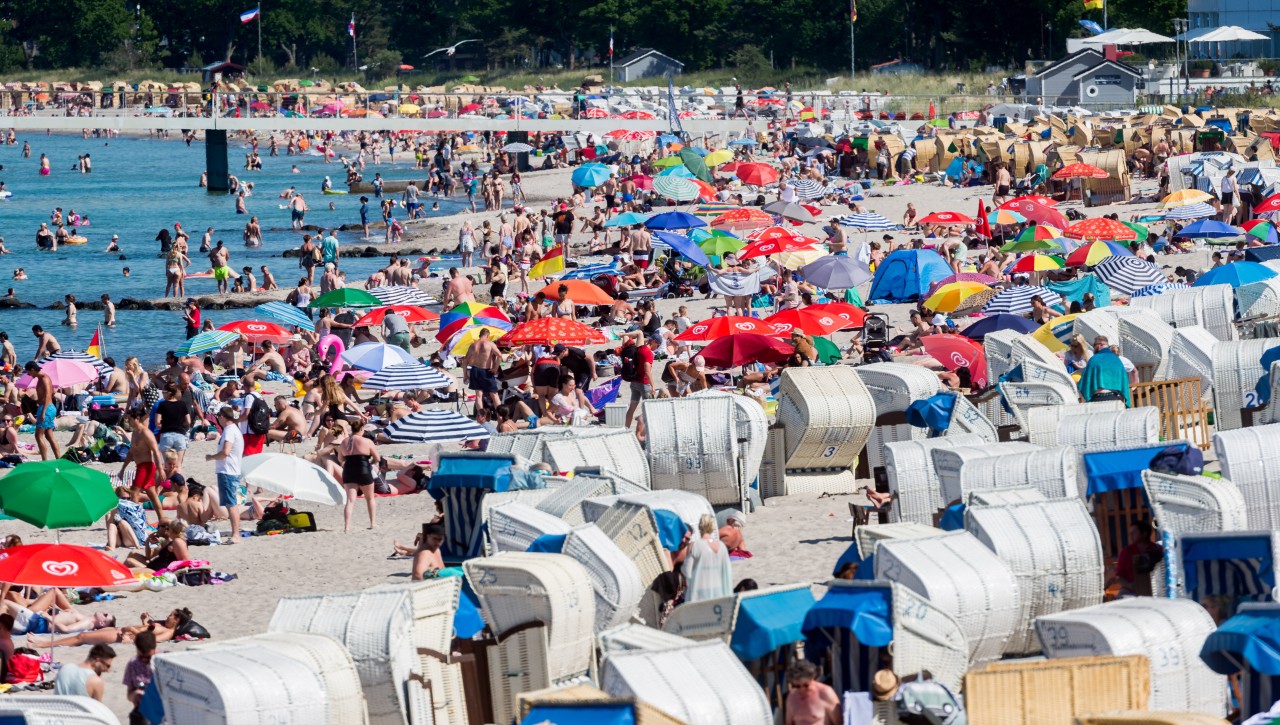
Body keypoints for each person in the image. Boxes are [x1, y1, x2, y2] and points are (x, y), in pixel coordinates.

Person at [121, 407, 167, 524]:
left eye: (130, 419)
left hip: (147, 467)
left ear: (137, 419)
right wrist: (123, 469)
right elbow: (131, 452)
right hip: (140, 467)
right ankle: (161, 518)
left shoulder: (145, 433)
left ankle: (136, 520)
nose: (128, 422)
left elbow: (156, 450)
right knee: (152, 494)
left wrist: (161, 469)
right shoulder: (135, 433)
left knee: (134, 493)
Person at [207, 406, 244, 543]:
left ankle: (236, 535)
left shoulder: (229, 431)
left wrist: (211, 457)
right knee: (230, 503)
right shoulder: (234, 429)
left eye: (218, 417)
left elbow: (225, 452)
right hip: (231, 470)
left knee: (231, 503)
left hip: (228, 471)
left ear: (222, 417)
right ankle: (236, 533)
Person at [338, 425, 380, 532]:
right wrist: (371, 463)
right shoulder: (367, 441)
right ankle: (372, 523)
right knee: (370, 498)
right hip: (363, 469)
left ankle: (347, 527)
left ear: (352, 429)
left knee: (350, 501)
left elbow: (340, 458)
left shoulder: (344, 442)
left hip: (349, 471)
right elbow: (377, 458)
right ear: (361, 429)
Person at [682, 514, 732, 603]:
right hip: (719, 591)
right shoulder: (722, 546)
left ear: (700, 526)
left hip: (699, 593)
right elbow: (727, 570)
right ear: (712, 527)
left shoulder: (694, 545)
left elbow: (687, 571)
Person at [1112, 518, 1162, 597]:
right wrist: (1129, 585)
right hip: (1130, 590)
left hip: (1154, 590)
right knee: (1120, 599)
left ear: (1144, 534)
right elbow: (1120, 575)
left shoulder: (1157, 550)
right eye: (1130, 533)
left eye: (1134, 533)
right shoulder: (1126, 552)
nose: (1130, 536)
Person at [1078, 336, 1131, 406]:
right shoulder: (1116, 360)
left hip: (1096, 399)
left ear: (1101, 345)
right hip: (1114, 398)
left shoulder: (1094, 359)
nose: (1094, 348)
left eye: (1094, 345)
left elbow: (1084, 382)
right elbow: (1123, 381)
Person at [785, 660, 841, 725]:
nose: (802, 689)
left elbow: (839, 722)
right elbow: (788, 723)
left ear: (812, 679)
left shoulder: (825, 693)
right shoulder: (792, 696)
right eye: (798, 686)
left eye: (806, 685)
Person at [25, 360, 60, 460]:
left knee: (38, 435)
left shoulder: (44, 378)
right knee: (49, 435)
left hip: (47, 409)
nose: (28, 374)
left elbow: (49, 395)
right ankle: (58, 459)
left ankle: (45, 460)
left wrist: (43, 412)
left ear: (33, 370)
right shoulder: (41, 378)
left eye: (28, 372)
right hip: (46, 407)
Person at [463, 327, 503, 411]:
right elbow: (499, 356)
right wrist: (495, 368)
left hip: (475, 370)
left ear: (480, 335)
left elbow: (465, 361)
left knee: (478, 395)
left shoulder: (473, 345)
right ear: (487, 335)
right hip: (486, 371)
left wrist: (465, 375)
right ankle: (500, 417)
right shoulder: (490, 344)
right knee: (494, 394)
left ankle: (481, 417)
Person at [124, 630, 155, 725]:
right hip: (142, 711)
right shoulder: (133, 664)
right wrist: (135, 694)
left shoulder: (164, 661)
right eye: (142, 657)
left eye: (148, 657)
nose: (145, 660)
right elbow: (129, 695)